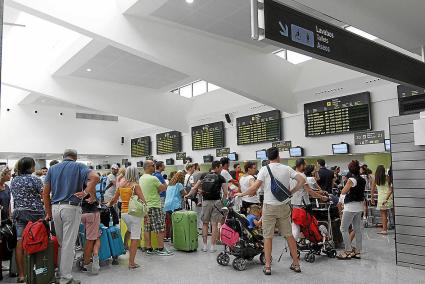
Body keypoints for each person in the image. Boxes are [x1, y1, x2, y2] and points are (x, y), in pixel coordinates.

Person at [236, 147, 305, 275]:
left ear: (267, 158)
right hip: (284, 206)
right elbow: (302, 180)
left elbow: (254, 188)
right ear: (278, 155)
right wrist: (292, 192)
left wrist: (241, 194)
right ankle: (296, 264)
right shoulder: (287, 168)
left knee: (268, 237)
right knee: (289, 236)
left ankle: (267, 266)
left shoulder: (264, 169)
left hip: (269, 207)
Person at [43, 149, 99, 284]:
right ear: (75, 157)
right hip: (71, 208)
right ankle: (66, 278)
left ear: (63, 157)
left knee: (63, 244)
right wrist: (86, 191)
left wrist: (49, 213)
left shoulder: (53, 168)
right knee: (68, 245)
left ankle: (61, 274)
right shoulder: (79, 166)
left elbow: (45, 193)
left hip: (56, 208)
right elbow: (96, 177)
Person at [10, 158, 45, 283]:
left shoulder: (14, 180)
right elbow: (43, 195)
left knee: (20, 242)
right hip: (36, 214)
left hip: (19, 213)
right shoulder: (35, 179)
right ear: (30, 167)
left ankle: (21, 274)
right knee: (39, 239)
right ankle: (39, 269)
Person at [108, 166, 146, 269]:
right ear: (135, 174)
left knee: (129, 230)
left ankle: (125, 245)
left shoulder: (121, 185)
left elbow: (114, 200)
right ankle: (131, 263)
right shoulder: (135, 186)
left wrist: (108, 205)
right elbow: (143, 200)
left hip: (124, 214)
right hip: (134, 214)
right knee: (135, 238)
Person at [139, 160, 172, 256]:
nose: (154, 167)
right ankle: (161, 248)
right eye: (153, 165)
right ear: (148, 167)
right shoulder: (153, 178)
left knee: (147, 228)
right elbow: (163, 188)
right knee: (160, 228)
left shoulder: (141, 178)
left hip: (145, 207)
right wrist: (165, 183)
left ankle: (149, 248)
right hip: (154, 206)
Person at [291, 159, 328, 241]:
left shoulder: (291, 175)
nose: (305, 167)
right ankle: (309, 241)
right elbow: (310, 191)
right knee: (308, 225)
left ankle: (293, 245)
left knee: (296, 224)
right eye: (304, 165)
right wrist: (322, 197)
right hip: (304, 205)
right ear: (301, 165)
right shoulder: (302, 176)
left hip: (294, 204)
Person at [197, 161, 228, 252]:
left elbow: (195, 187)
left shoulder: (204, 175)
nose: (221, 169)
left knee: (205, 223)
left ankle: (205, 246)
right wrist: (223, 203)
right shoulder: (221, 178)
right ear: (217, 167)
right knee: (214, 224)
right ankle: (213, 247)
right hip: (217, 202)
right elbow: (226, 193)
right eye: (221, 167)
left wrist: (191, 194)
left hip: (206, 202)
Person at [337, 160, 365, 260]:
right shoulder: (362, 180)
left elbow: (343, 191)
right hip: (359, 207)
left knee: (343, 228)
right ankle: (358, 251)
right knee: (357, 229)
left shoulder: (351, 180)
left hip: (350, 207)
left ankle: (347, 251)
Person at [80, 193, 101, 274]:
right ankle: (88, 264)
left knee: (89, 237)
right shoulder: (90, 185)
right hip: (92, 213)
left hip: (82, 213)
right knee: (94, 238)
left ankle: (89, 260)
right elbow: (94, 200)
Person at [371, 165, 394, 235]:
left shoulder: (376, 179)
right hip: (389, 198)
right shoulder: (388, 177)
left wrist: (372, 198)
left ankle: (384, 230)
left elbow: (372, 190)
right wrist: (387, 199)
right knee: (393, 214)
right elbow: (391, 189)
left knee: (384, 215)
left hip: (381, 199)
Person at [163, 171, 186, 241]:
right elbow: (184, 193)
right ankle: (175, 239)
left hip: (167, 205)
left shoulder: (169, 184)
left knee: (169, 223)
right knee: (176, 223)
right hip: (175, 205)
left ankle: (169, 237)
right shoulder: (179, 185)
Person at [152, 161, 169, 241]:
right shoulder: (159, 176)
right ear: (159, 167)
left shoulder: (154, 175)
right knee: (162, 218)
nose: (164, 166)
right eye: (163, 165)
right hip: (161, 198)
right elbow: (164, 187)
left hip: (158, 198)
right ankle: (163, 237)